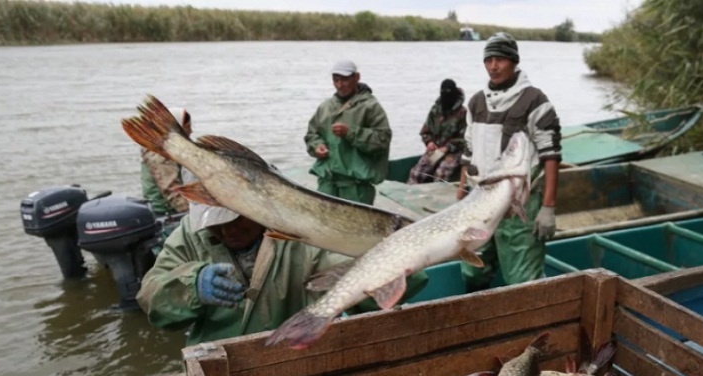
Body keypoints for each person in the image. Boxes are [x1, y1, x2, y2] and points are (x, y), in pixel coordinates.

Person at [137, 204, 427, 346]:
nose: (228, 231)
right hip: (215, 361)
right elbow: (149, 296)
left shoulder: (300, 237)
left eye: (235, 218)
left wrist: (401, 260)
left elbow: (351, 274)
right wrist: (191, 285)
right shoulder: (189, 235)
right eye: (215, 225)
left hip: (287, 357)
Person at [457, 32, 562, 291]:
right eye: (488, 60)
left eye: (500, 59)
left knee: (522, 280)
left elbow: (551, 155)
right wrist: (461, 191)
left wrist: (548, 207)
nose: (493, 66)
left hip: (519, 206)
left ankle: (533, 328)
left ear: (514, 62)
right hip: (478, 201)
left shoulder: (535, 101)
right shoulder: (477, 102)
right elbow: (468, 152)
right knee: (473, 270)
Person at [304, 60, 392, 205]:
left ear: (356, 77)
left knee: (358, 226)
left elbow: (382, 140)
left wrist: (350, 133)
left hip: (356, 187)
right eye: (336, 80)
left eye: (344, 79)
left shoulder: (371, 107)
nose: (340, 85)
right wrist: (317, 146)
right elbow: (312, 134)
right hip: (327, 183)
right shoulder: (325, 107)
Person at [407, 79, 467, 185]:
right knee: (416, 173)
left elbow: (465, 139)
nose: (446, 98)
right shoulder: (435, 110)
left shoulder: (463, 113)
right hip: (435, 149)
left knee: (440, 175)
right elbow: (425, 131)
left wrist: (448, 147)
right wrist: (429, 142)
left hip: (454, 152)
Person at [140, 107, 192, 216]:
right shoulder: (160, 153)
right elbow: (171, 189)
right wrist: (192, 214)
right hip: (165, 214)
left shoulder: (168, 146)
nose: (191, 131)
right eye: (188, 127)